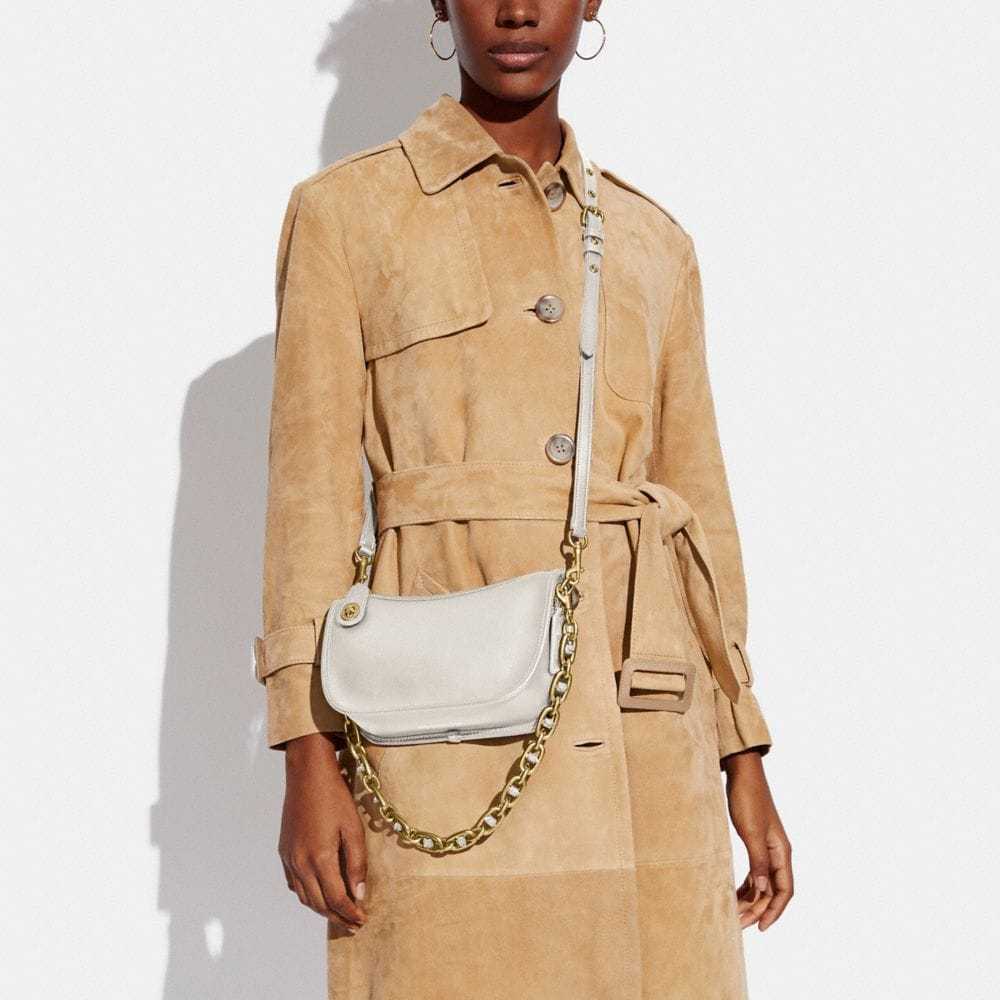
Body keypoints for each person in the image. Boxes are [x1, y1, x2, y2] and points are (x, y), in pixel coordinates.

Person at [252, 2, 793, 997]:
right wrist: (303, 745)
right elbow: (309, 499)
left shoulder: (652, 242)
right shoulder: (349, 214)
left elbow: (700, 503)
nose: (516, 9)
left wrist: (742, 748)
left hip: (645, 745)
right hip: (448, 738)